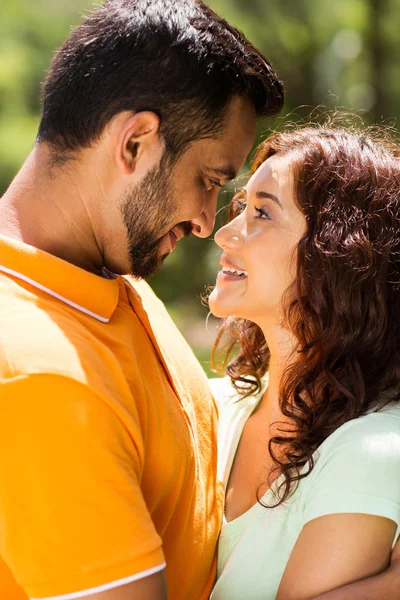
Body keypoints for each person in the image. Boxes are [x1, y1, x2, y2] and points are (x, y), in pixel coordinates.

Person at [0, 1, 285, 599]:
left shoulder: (105, 277)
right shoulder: (38, 374)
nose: (208, 222)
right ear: (135, 143)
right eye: (209, 180)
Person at [208, 122, 400, 599]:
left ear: (337, 255)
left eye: (262, 214)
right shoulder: (211, 406)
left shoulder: (371, 452)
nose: (225, 234)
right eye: (240, 208)